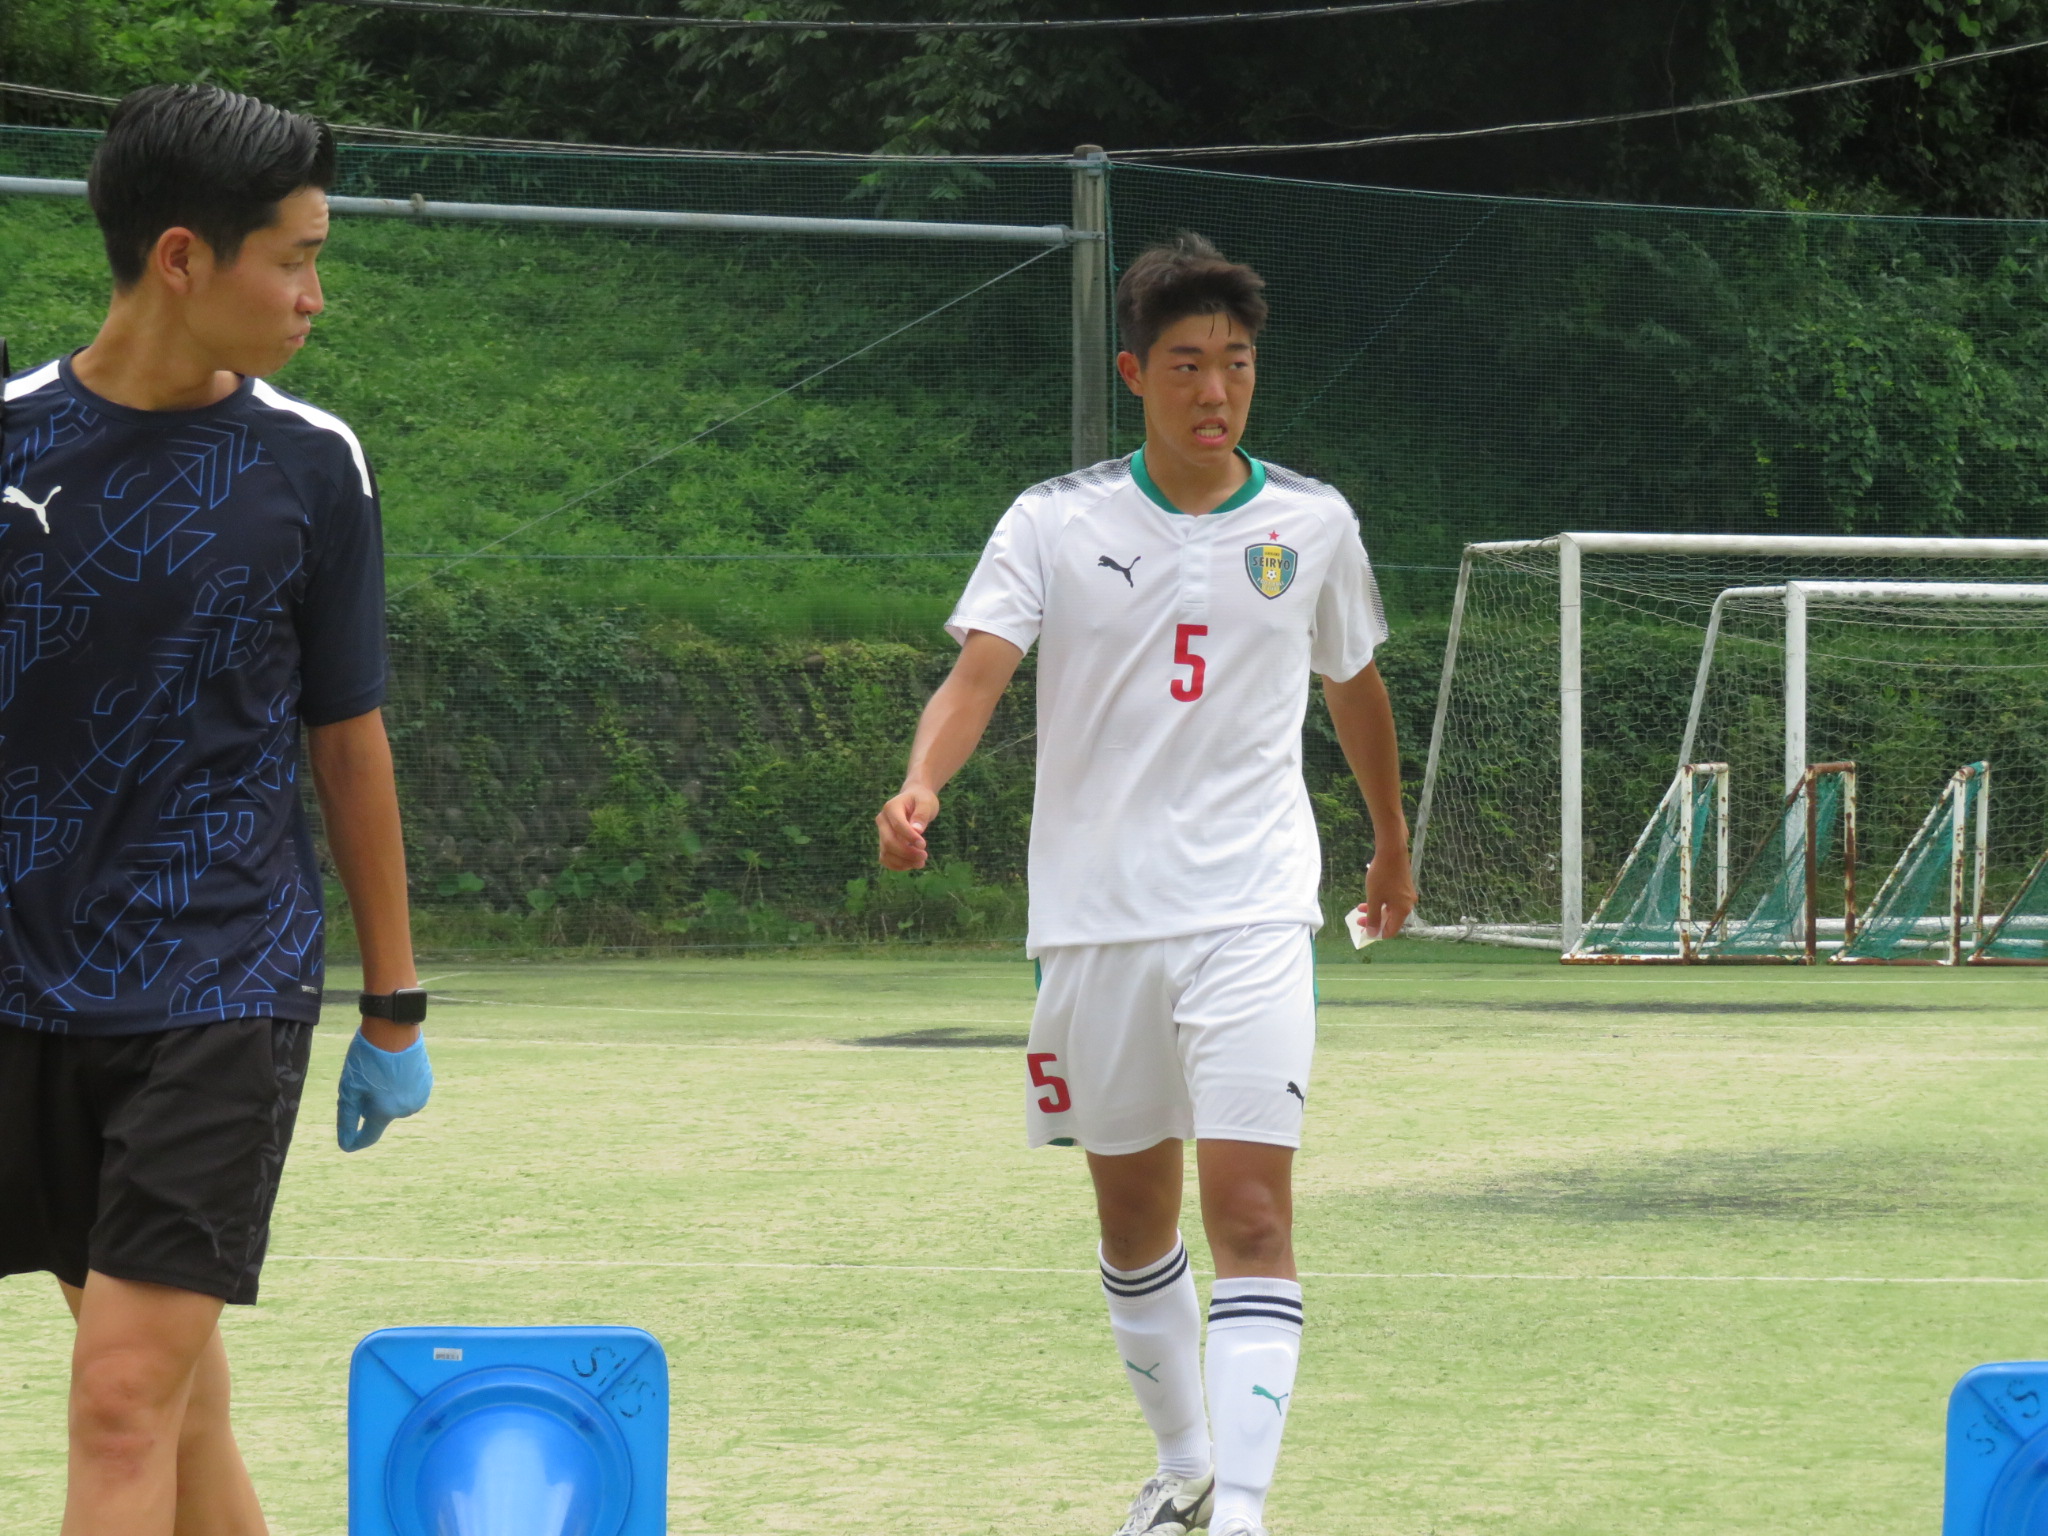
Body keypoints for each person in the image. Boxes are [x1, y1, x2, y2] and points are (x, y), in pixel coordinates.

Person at [876, 232, 1415, 1536]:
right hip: (1095, 922)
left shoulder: (1314, 523)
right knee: (1132, 1222)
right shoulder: (1053, 520)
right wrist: (921, 781)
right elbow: (978, 674)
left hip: (1254, 908)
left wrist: (1391, 839)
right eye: (1185, 365)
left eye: (1236, 363)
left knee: (1252, 1211)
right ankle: (1183, 1472)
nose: (1215, 390)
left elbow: (1354, 686)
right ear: (1135, 373)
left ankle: (1242, 1512)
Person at [0, 84, 432, 1535]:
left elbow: (348, 742)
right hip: (21, 982)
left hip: (220, 980)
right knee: (174, 1403)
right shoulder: (8, 445)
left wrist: (394, 1003)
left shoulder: (313, 463)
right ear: (183, 258)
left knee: (122, 1397)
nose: (316, 295)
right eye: (294, 259)